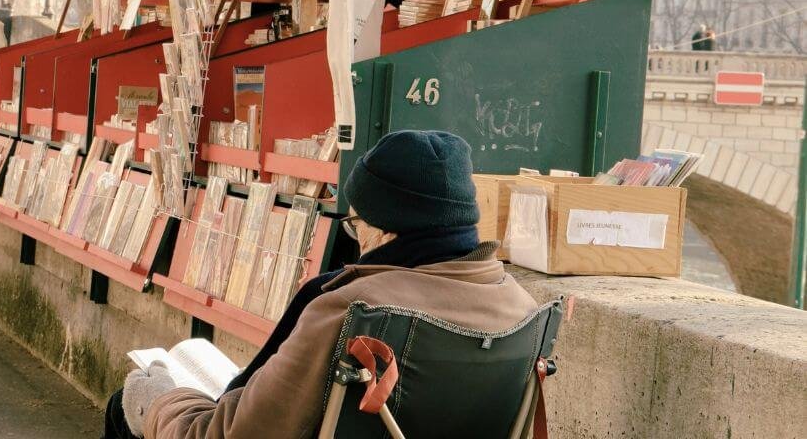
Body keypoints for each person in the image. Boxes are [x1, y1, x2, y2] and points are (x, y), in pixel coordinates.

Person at [105, 130, 538, 439]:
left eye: (357, 225)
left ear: (388, 231)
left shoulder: (352, 307)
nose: (356, 241)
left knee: (130, 401)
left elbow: (231, 435)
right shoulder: (523, 309)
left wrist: (158, 399)